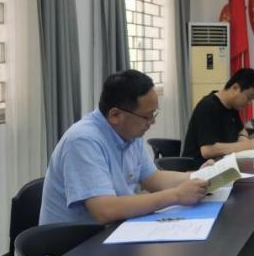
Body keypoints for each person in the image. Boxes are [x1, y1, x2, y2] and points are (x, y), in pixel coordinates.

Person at [40, 70, 208, 225]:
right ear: (115, 115)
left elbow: (153, 179)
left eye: (153, 114)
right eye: (147, 116)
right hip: (75, 243)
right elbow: (105, 210)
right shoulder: (83, 140)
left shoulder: (128, 132)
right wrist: (177, 195)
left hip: (114, 231)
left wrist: (201, 176)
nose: (152, 122)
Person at [182, 68, 254, 162]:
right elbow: (207, 150)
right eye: (249, 97)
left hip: (221, 162)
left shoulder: (232, 106)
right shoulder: (208, 106)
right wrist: (248, 145)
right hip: (198, 167)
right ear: (235, 88)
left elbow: (241, 130)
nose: (249, 103)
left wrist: (243, 140)